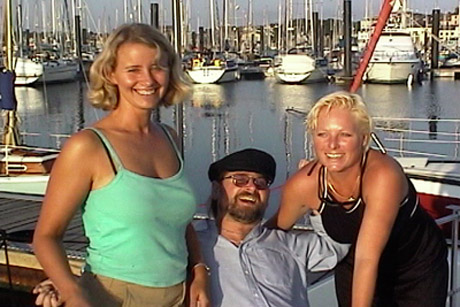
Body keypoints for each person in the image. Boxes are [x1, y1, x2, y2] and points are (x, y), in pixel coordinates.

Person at [32, 23, 209, 307]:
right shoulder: (88, 147)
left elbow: (178, 222)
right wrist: (73, 294)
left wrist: (199, 272)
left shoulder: (170, 138)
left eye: (157, 67)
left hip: (178, 295)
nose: (148, 79)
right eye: (133, 69)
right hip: (113, 296)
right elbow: (46, 237)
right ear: (111, 74)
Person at [270, 91, 448, 307]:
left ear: (364, 139)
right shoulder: (304, 186)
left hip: (415, 268)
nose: (332, 145)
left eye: (344, 135)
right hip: (353, 267)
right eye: (322, 134)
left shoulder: (383, 175)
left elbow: (368, 258)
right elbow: (270, 235)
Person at [196, 148, 349, 306]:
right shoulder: (194, 247)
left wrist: (318, 194)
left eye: (260, 182)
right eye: (240, 180)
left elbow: (338, 245)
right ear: (216, 189)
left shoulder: (288, 245)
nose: (251, 188)